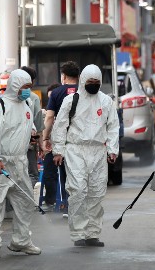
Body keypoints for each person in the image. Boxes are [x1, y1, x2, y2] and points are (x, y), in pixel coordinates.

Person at [51, 64, 119, 247]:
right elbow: (60, 126)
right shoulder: (71, 100)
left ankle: (92, 234)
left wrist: (112, 149)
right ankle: (78, 233)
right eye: (90, 81)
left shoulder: (105, 102)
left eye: (97, 82)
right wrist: (58, 151)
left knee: (96, 193)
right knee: (78, 190)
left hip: (98, 151)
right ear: (83, 81)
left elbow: (113, 126)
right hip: (76, 150)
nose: (93, 85)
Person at [0, 69, 41, 258]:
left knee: (25, 201)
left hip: (20, 162)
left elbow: (28, 126)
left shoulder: (26, 104)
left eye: (29, 87)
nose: (27, 91)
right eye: (24, 87)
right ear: (15, 85)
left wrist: (32, 136)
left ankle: (21, 241)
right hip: (1, 163)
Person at [41, 61, 80, 214]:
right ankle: (81, 207)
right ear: (78, 76)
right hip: (83, 141)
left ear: (63, 76)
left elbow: (50, 117)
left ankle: (68, 206)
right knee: (82, 174)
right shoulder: (85, 92)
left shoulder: (56, 93)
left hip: (64, 141)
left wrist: (45, 138)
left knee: (64, 174)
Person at [20, 66, 44, 187]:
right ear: (32, 81)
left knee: (15, 175)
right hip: (30, 144)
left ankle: (15, 205)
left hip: (12, 146)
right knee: (32, 174)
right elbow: (39, 125)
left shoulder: (5, 98)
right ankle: (29, 203)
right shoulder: (34, 98)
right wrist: (42, 145)